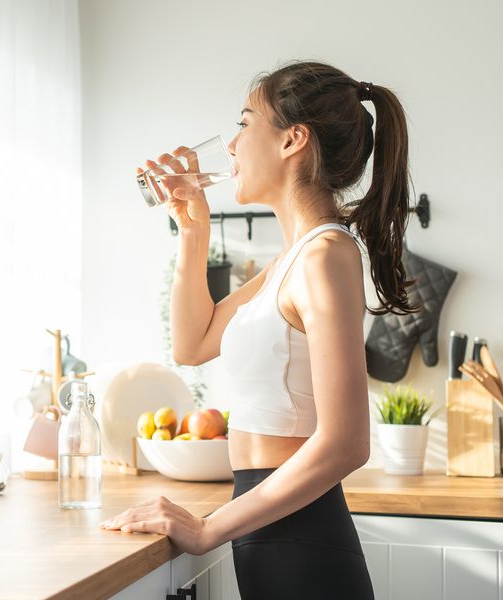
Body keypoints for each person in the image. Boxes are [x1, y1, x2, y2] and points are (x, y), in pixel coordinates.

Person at [101, 60, 417, 599]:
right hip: (271, 529)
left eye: (245, 123)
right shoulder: (289, 262)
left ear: (293, 139)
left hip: (302, 540)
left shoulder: (325, 255)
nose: (230, 146)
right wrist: (193, 231)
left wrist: (206, 529)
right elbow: (193, 343)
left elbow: (346, 443)